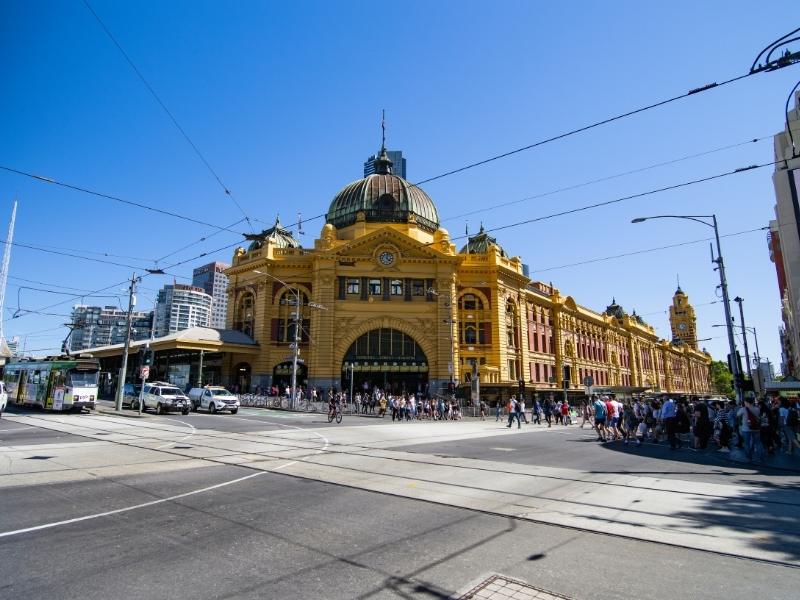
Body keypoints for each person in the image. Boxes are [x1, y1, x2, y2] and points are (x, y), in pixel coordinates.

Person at [737, 396, 764, 462]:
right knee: (758, 443)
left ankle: (749, 457)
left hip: (746, 429)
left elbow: (737, 415)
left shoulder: (743, 409)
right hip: (756, 428)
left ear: (746, 402)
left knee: (746, 443)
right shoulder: (757, 409)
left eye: (745, 402)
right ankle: (760, 458)